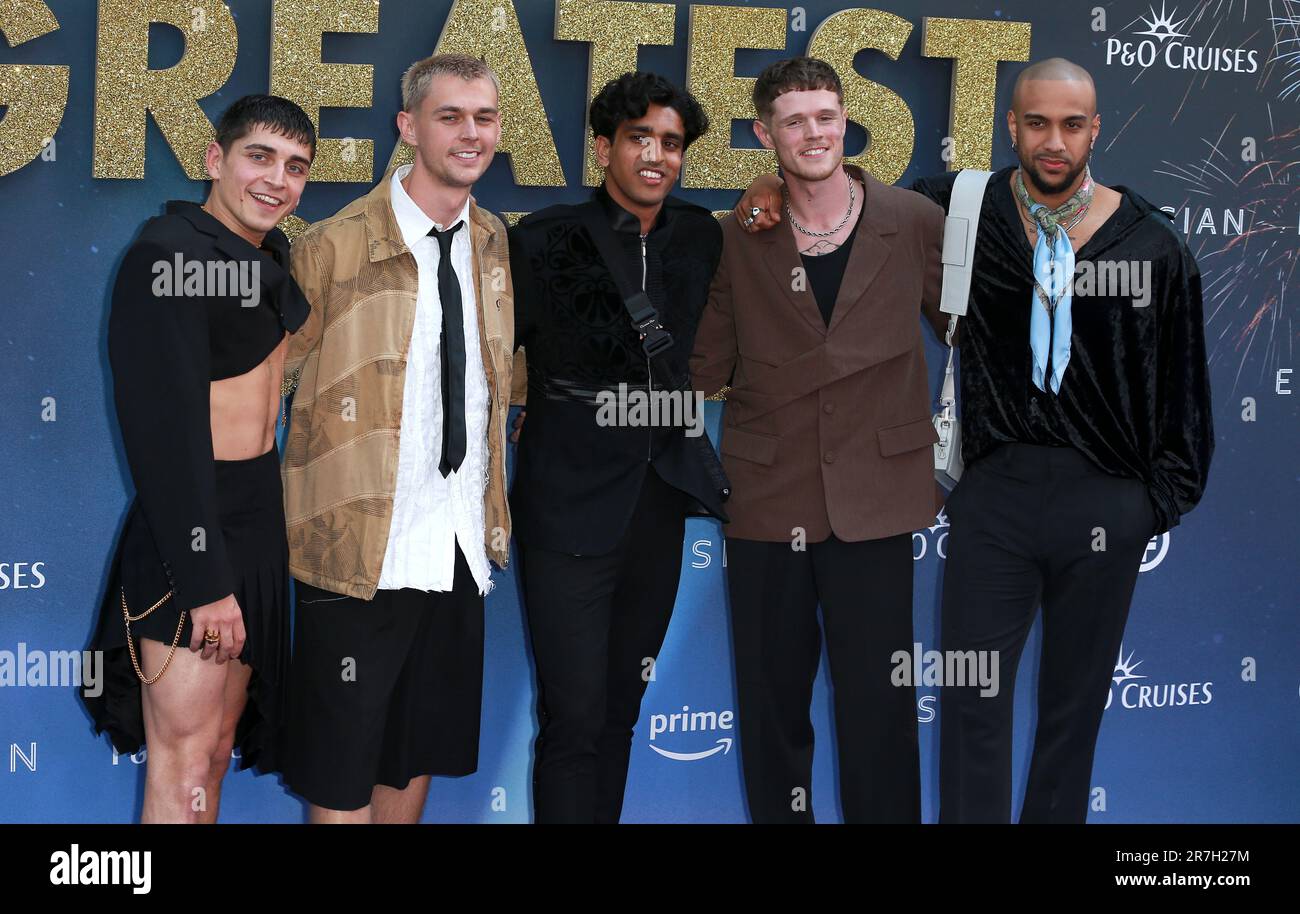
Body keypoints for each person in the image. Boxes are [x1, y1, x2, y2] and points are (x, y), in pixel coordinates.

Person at [737, 57, 1214, 823]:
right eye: (1036, 123)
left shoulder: (1153, 245)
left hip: (1107, 504)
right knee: (971, 703)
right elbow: (844, 194)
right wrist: (765, 186)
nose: (1052, 141)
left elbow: (1186, 394)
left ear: (1096, 129)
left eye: (1070, 124)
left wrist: (1150, 506)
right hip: (995, 498)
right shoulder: (960, 209)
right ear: (1011, 127)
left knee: (1072, 713)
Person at [690, 57, 947, 823]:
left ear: (846, 122)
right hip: (769, 501)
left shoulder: (913, 220)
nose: (814, 133)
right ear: (766, 133)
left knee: (882, 712)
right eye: (795, 120)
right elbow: (705, 365)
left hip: (878, 497)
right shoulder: (737, 235)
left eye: (826, 116)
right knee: (771, 713)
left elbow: (971, 331)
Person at [278, 54, 516, 824]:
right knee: (342, 773)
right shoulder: (330, 246)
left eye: (483, 117)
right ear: (408, 127)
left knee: (415, 756)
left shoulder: (495, 246)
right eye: (450, 116)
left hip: (454, 547)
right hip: (354, 553)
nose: (469, 133)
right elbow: (264, 389)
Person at [83, 95, 316, 823]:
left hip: (256, 525)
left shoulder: (266, 257)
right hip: (195, 535)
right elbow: (162, 439)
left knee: (213, 756)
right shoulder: (166, 257)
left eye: (296, 166)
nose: (277, 180)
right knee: (182, 766)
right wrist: (206, 578)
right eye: (259, 157)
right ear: (216, 160)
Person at [507, 71, 729, 824]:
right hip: (566, 508)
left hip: (656, 506)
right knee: (572, 722)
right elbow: (492, 351)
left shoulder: (701, 236)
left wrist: (763, 190)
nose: (656, 156)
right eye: (640, 139)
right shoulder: (543, 238)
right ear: (604, 147)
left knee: (619, 716)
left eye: (671, 143)